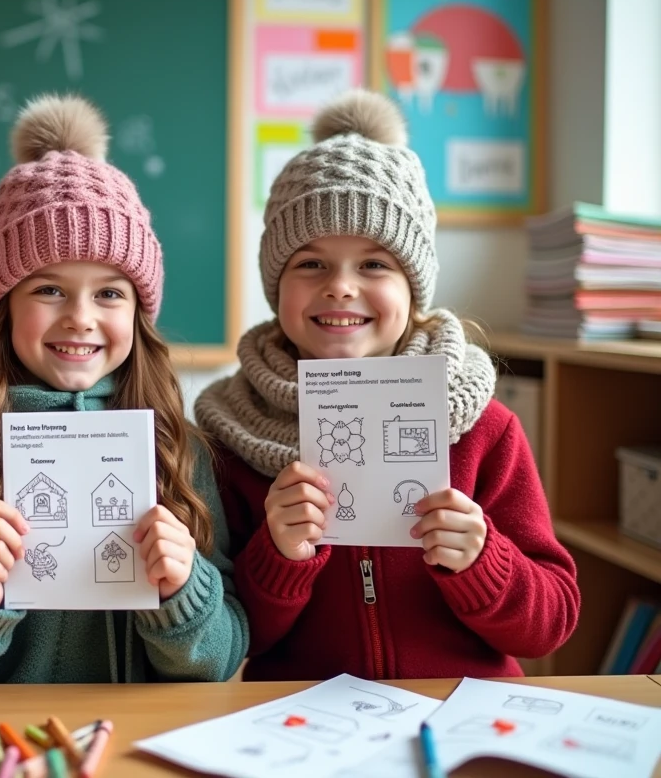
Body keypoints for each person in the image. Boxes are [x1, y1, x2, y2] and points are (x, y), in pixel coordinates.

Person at [196, 89, 579, 680]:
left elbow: (551, 624)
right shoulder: (229, 436)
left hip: (459, 718)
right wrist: (278, 556)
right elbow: (228, 639)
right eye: (310, 263)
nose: (341, 287)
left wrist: (483, 560)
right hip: (302, 728)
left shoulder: (485, 427)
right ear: (277, 287)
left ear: (413, 286)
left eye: (374, 264)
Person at [0, 94, 248, 683]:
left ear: (138, 313)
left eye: (110, 293)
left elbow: (221, 660)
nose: (80, 317)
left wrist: (185, 589)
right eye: (48, 290)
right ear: (2, 306)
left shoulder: (179, 445)